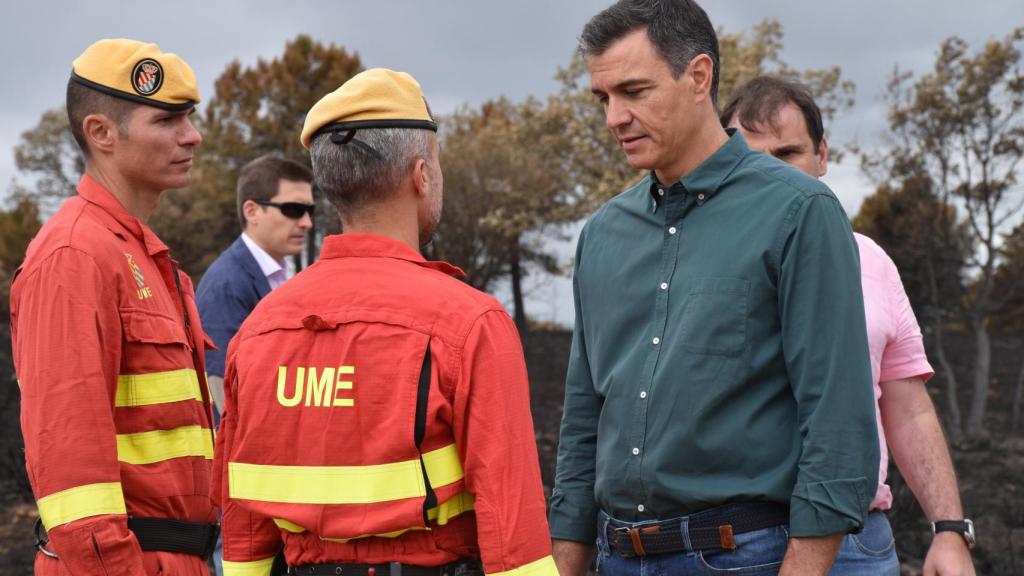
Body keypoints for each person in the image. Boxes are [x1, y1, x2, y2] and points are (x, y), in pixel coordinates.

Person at [548, 2, 880, 575]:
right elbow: (582, 421)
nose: (614, 117)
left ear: (698, 76)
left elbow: (837, 420)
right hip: (615, 557)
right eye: (604, 98)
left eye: (633, 91)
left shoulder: (800, 211)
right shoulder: (603, 233)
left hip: (744, 556)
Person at [212, 68, 557, 576]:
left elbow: (243, 525)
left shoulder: (258, 331)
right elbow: (513, 530)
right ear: (421, 175)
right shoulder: (471, 323)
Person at [721, 75, 977, 576]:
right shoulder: (693, 265)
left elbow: (906, 407)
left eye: (788, 153)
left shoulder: (870, 261)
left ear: (822, 156)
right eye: (752, 156)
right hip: (735, 545)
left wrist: (949, 529)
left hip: (859, 544)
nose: (771, 173)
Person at [11, 39, 218, 575]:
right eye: (169, 120)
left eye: (189, 118)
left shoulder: (139, 255)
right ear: (101, 133)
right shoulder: (75, 255)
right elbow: (72, 474)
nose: (191, 135)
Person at [196, 155, 314, 416]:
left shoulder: (278, 275)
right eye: (293, 209)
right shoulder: (227, 284)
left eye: (310, 210)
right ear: (252, 211)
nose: (307, 222)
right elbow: (222, 390)